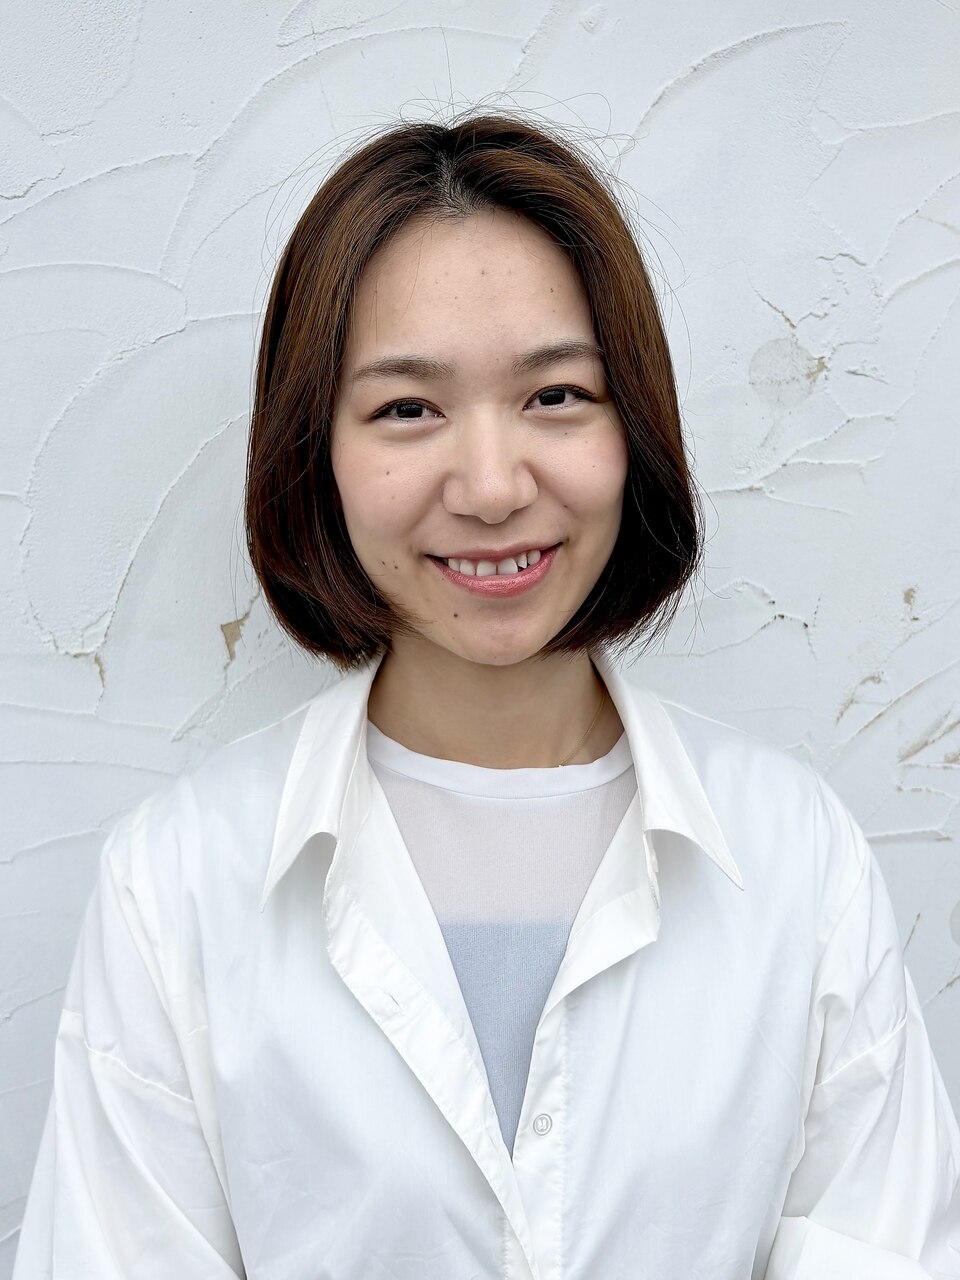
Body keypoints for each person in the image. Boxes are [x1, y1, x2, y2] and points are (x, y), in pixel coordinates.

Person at [13, 111, 960, 1279]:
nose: (494, 485)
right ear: (316, 450)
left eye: (556, 395)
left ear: (634, 424)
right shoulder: (179, 879)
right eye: (407, 408)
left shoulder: (794, 855)